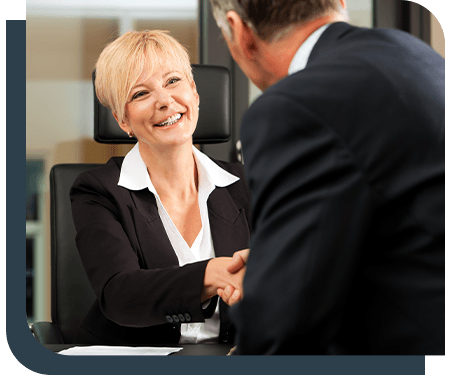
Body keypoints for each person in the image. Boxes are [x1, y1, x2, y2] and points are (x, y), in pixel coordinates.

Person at [209, 0, 445, 354]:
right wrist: (275, 257)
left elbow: (280, 325)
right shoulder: (415, 55)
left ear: (240, 32)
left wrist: (266, 280)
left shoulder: (295, 105)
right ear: (338, 2)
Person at [70, 30, 251, 346]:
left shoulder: (248, 184)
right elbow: (119, 293)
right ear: (122, 119)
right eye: (140, 94)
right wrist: (211, 274)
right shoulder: (97, 191)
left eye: (173, 81)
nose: (165, 101)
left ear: (194, 92)